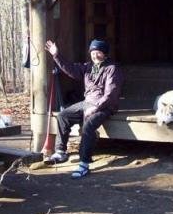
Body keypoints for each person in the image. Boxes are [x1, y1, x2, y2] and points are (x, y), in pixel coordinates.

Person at [44, 38, 123, 179]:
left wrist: (96, 108)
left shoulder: (112, 69)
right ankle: (60, 151)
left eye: (98, 52)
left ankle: (84, 164)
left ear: (104, 54)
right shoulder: (88, 67)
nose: (95, 55)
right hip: (87, 102)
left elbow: (111, 94)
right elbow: (71, 69)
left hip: (105, 106)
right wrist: (56, 55)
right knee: (63, 115)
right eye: (93, 52)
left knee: (88, 126)